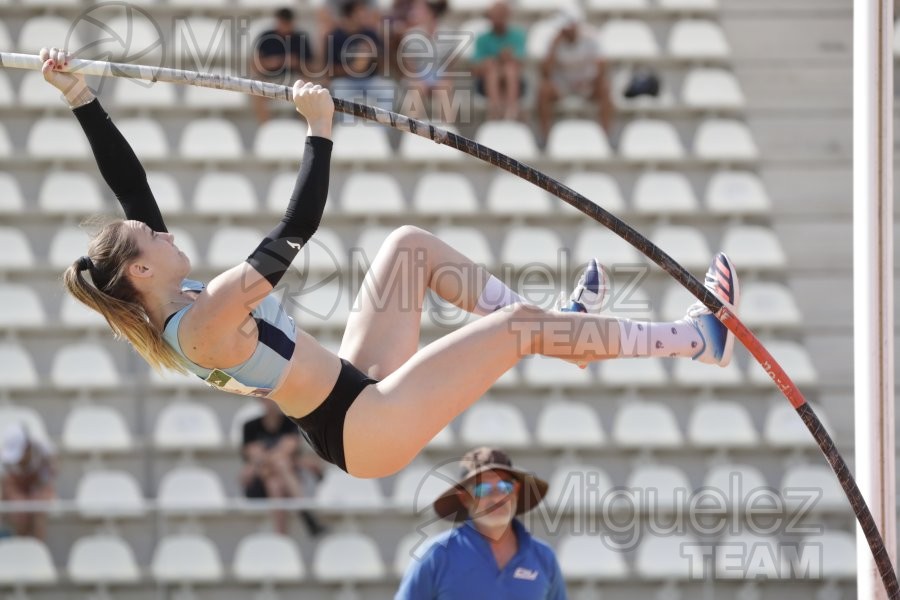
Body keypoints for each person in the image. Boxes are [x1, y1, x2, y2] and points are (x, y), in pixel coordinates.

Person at [43, 46, 740, 480]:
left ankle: (568, 337)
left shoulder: (175, 293)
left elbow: (130, 189)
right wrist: (318, 131)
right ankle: (694, 340)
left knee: (409, 249)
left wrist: (81, 98)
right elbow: (296, 229)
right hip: (363, 429)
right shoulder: (201, 322)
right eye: (151, 239)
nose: (164, 235)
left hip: (353, 388)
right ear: (139, 272)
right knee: (525, 324)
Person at [395, 447, 565, 599]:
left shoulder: (544, 558)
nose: (497, 498)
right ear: (464, 498)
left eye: (505, 486)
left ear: (516, 490)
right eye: (482, 489)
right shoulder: (435, 556)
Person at [241, 398, 327, 536]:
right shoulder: (250, 426)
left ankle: (280, 536)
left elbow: (261, 457)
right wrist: (278, 459)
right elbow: (257, 459)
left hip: (282, 479)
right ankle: (306, 515)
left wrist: (265, 459)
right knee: (280, 463)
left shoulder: (291, 423)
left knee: (275, 483)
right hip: (261, 481)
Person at [537, 9, 613, 143]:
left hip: (588, 83)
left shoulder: (592, 37)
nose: (563, 31)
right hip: (563, 85)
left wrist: (590, 83)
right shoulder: (554, 40)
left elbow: (602, 67)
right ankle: (546, 140)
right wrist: (553, 47)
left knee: (605, 88)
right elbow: (546, 73)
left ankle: (605, 139)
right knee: (543, 90)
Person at [324, 0, 395, 115]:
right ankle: (345, 130)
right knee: (338, 88)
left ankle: (382, 131)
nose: (364, 15)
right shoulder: (335, 36)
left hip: (369, 80)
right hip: (346, 81)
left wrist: (373, 54)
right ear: (349, 15)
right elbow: (330, 70)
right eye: (360, 12)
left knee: (387, 89)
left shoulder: (370, 33)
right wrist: (353, 67)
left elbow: (383, 65)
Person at [250, 7, 317, 123]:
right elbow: (255, 65)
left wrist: (297, 63)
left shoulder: (300, 38)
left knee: (307, 91)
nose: (285, 26)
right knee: (256, 92)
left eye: (287, 23)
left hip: (294, 79)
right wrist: (276, 62)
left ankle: (307, 129)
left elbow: (311, 67)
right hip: (270, 79)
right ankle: (266, 128)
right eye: (283, 23)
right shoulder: (266, 37)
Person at [472, 0, 527, 121]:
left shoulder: (518, 36)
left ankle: (511, 112)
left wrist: (504, 60)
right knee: (492, 70)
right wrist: (493, 62)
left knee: (510, 69)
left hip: (513, 80)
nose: (498, 20)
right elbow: (475, 69)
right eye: (495, 16)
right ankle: (496, 112)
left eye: (501, 15)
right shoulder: (482, 39)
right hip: (486, 82)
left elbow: (520, 62)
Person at [0, 423, 56, 540]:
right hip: (16, 487)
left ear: (27, 447)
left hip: (39, 485)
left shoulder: (44, 452)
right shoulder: (4, 459)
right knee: (19, 511)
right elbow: (6, 484)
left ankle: (37, 547)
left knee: (38, 510)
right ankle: (21, 545)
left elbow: (50, 476)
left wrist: (36, 491)